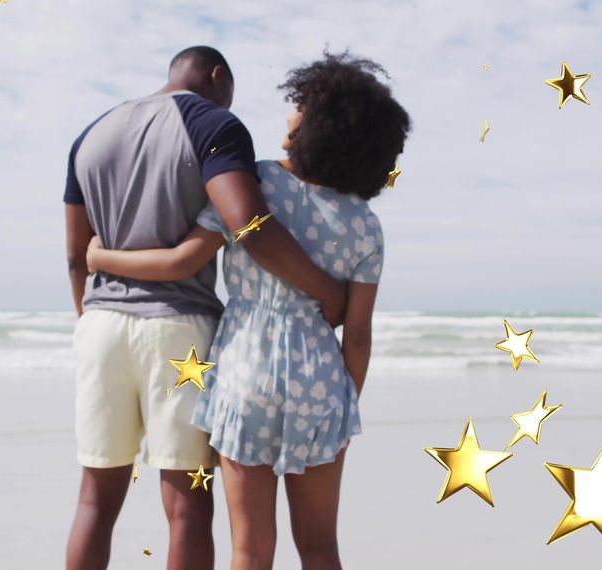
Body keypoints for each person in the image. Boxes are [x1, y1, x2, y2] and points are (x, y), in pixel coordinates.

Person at [87, 51, 410, 570]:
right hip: (321, 382)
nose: (290, 114)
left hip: (246, 373)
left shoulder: (255, 183)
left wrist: (101, 256)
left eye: (299, 106)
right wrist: (344, 399)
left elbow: (180, 261)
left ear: (316, 123)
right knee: (321, 547)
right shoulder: (366, 225)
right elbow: (359, 332)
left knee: (251, 549)